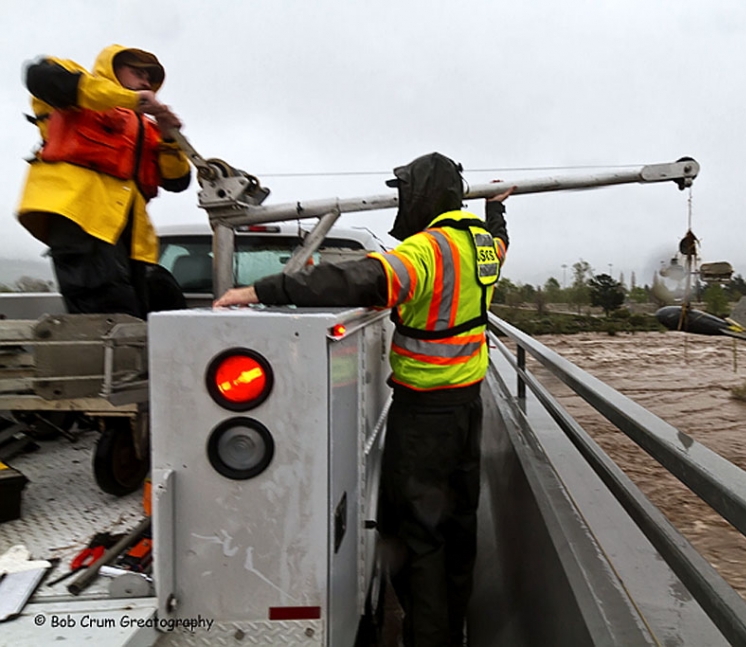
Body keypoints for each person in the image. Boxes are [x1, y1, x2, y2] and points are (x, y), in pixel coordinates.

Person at [215, 152, 513, 647]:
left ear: (423, 195)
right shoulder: (481, 245)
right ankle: (451, 631)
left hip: (424, 421)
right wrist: (497, 209)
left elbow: (355, 279)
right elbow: (501, 242)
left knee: (418, 537)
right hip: (467, 408)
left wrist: (260, 290)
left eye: (405, 192)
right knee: (458, 529)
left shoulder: (425, 251)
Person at [16, 44, 191, 318]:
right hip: (80, 218)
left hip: (131, 241)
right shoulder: (78, 92)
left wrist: (170, 138)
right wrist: (131, 100)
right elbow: (40, 76)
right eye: (137, 72)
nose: (145, 80)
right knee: (109, 309)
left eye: (150, 77)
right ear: (111, 68)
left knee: (156, 305)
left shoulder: (149, 129)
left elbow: (178, 180)